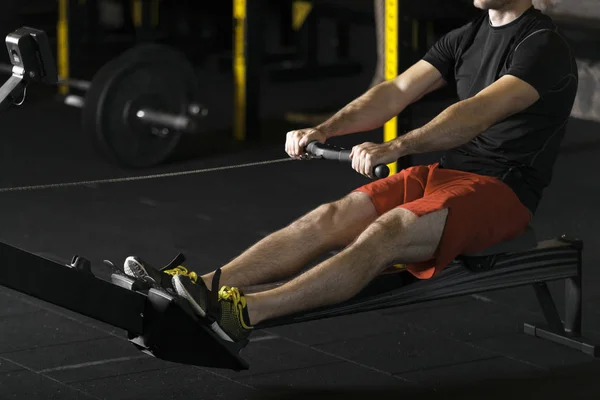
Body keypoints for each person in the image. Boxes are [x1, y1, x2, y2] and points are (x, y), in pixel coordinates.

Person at [124, 0, 578, 347]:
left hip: (503, 190)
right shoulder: (468, 35)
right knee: (330, 216)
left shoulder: (541, 46)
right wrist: (323, 128)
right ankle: (199, 290)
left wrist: (397, 145)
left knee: (388, 231)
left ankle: (245, 315)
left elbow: (477, 112)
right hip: (446, 172)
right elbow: (396, 90)